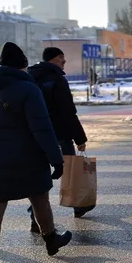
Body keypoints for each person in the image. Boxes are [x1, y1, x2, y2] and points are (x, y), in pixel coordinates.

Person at [0, 42, 72, 263]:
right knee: (39, 196)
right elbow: (42, 128)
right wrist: (56, 160)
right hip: (27, 154)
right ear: (22, 65)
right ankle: (51, 240)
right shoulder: (29, 89)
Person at [28, 47, 92, 226]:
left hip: (37, 134)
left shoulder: (30, 77)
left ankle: (35, 215)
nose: (64, 62)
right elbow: (68, 112)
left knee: (40, 173)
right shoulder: (57, 79)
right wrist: (80, 138)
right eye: (60, 58)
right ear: (51, 60)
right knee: (70, 168)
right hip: (61, 133)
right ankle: (78, 205)